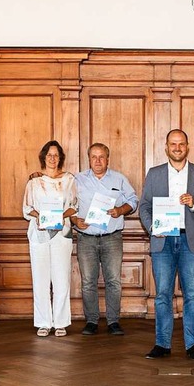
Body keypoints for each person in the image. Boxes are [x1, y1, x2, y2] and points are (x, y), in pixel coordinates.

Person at [139, 129, 194, 361]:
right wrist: (152, 227)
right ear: (166, 147)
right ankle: (162, 344)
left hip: (190, 241)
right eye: (173, 144)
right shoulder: (154, 174)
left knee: (192, 295)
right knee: (163, 295)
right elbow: (144, 205)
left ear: (187, 146)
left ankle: (192, 344)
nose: (177, 148)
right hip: (162, 240)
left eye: (181, 144)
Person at [73, 143, 138, 336]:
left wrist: (120, 210)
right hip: (86, 238)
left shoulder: (119, 179)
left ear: (107, 159)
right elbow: (67, 203)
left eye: (102, 157)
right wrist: (74, 219)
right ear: (89, 158)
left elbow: (133, 200)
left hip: (112, 238)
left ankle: (113, 321)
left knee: (113, 281)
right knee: (88, 282)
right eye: (94, 157)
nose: (98, 161)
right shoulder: (77, 180)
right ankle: (91, 321)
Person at [23, 140, 77, 338]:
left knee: (62, 278)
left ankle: (61, 322)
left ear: (60, 158)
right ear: (44, 157)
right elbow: (27, 208)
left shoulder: (69, 179)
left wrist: (60, 216)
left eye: (56, 155)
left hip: (62, 234)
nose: (53, 158)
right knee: (40, 279)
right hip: (38, 235)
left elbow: (74, 205)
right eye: (49, 155)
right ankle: (43, 322)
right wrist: (41, 216)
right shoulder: (34, 182)